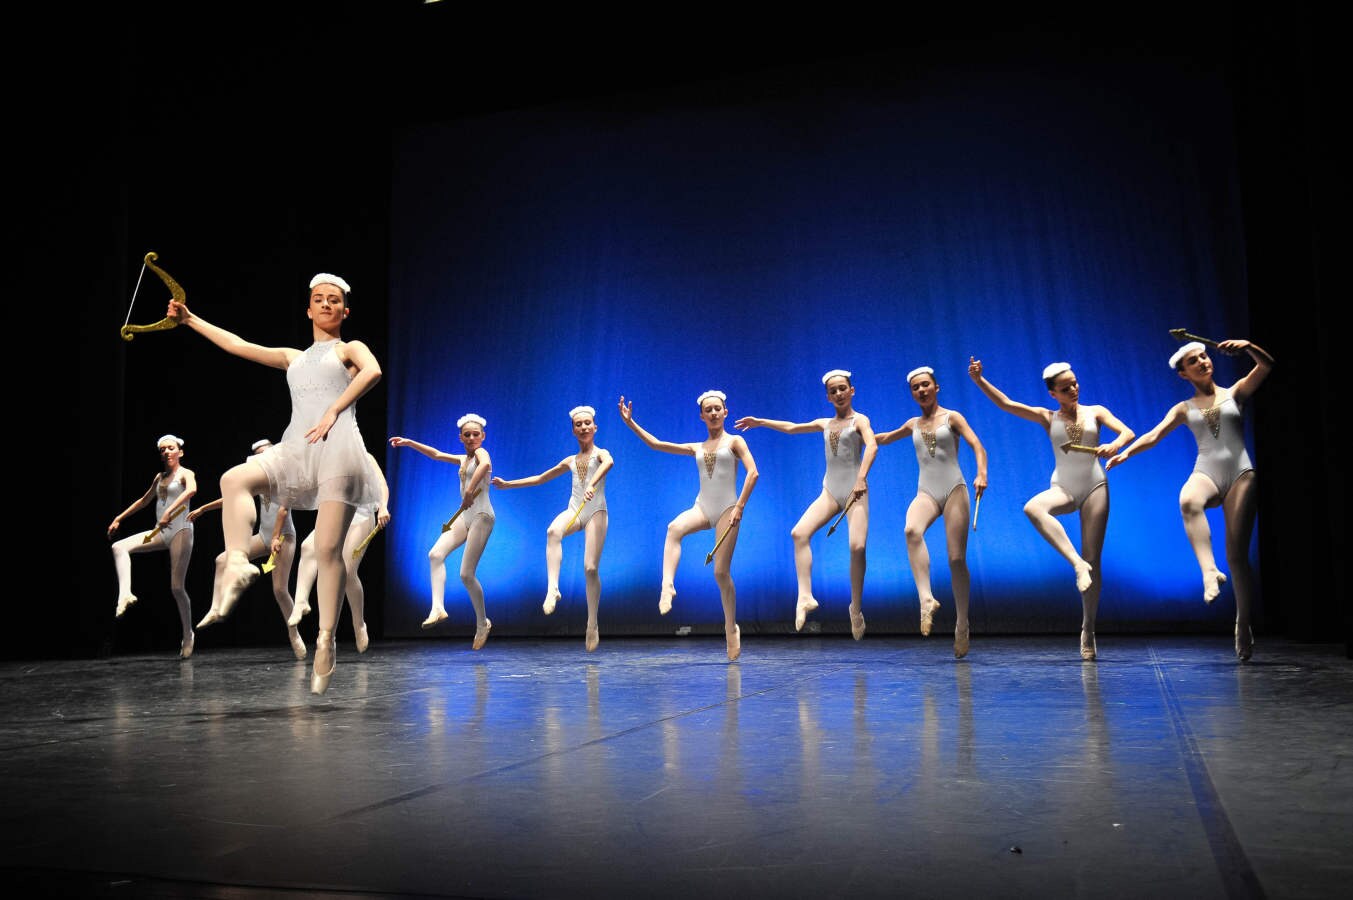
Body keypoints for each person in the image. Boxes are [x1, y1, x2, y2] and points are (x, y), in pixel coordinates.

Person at [167, 273, 382, 693]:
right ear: (308, 308)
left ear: (344, 310)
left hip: (338, 448)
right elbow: (239, 345)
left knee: (326, 550)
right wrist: (191, 320)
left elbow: (372, 371)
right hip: (297, 448)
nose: (325, 304)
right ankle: (236, 561)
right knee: (234, 478)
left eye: (333, 300)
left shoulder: (348, 349)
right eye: (318, 299)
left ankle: (325, 639)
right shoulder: (293, 357)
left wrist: (335, 410)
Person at [1107, 339, 1273, 660]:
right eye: (1194, 361)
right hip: (1207, 470)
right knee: (1188, 500)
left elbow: (1266, 366)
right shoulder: (1183, 409)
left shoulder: (1235, 392)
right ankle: (1209, 572)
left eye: (1204, 356)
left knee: (1237, 556)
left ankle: (1242, 621)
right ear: (1184, 374)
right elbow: (1153, 436)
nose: (1202, 362)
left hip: (1240, 473)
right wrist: (1125, 453)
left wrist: (1250, 345)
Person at [968, 358, 1134, 660]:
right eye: (1065, 387)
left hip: (1095, 487)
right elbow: (1007, 404)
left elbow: (1127, 433)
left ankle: (1088, 628)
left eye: (1074, 383)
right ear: (1053, 394)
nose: (1073, 388)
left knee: (1094, 558)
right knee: (1034, 507)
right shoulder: (1047, 417)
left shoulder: (1095, 412)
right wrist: (980, 380)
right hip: (1064, 487)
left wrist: (1114, 445)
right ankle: (1076, 564)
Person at [735, 369, 876, 639]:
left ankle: (855, 609)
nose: (838, 394)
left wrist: (861, 479)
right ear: (828, 396)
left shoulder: (860, 420)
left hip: (855, 492)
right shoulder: (824, 423)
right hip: (831, 491)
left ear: (852, 391)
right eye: (833, 391)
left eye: (842, 389)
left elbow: (871, 446)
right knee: (799, 533)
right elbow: (792, 428)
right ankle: (804, 597)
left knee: (857, 547)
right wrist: (761, 422)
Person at [619, 390, 758, 661]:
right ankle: (667, 586)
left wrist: (740, 507)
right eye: (709, 410)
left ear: (725, 412)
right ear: (702, 416)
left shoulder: (735, 441)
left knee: (720, 573)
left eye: (718, 408)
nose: (714, 413)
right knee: (674, 529)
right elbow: (657, 444)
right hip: (702, 507)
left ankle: (731, 628)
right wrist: (630, 423)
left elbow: (753, 472)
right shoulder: (697, 447)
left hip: (729, 508)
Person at [875, 366, 988, 657]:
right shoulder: (912, 423)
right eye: (916, 388)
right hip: (926, 491)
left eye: (925, 385)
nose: (921, 390)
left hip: (954, 490)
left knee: (955, 559)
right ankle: (926, 599)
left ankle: (962, 622)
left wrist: (981, 473)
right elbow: (885, 437)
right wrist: (860, 434)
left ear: (936, 387)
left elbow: (977, 445)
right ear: (912, 393)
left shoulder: (953, 418)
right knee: (911, 530)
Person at [492, 405, 612, 652]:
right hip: (574, 511)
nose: (583, 427)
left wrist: (593, 481)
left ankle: (592, 623)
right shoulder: (570, 461)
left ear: (595, 427)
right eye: (578, 425)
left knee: (590, 568)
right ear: (573, 430)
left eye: (587, 423)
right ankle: (553, 589)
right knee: (552, 531)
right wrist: (508, 485)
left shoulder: (601, 453)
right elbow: (540, 478)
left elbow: (608, 462)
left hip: (596, 512)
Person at [190, 438, 306, 660]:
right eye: (258, 454)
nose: (262, 458)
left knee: (280, 590)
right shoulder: (258, 479)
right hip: (264, 537)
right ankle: (216, 607)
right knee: (222, 559)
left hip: (283, 537)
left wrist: (275, 538)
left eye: (265, 453)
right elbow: (233, 496)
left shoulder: (285, 478)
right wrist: (204, 508)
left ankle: (294, 634)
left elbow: (283, 511)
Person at [390, 415, 494, 649]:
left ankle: (482, 622)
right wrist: (409, 442)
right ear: (460, 437)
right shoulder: (462, 459)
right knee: (435, 555)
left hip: (482, 516)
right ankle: (438, 608)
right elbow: (436, 454)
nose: (471, 438)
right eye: (466, 435)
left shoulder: (481, 453)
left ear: (482, 436)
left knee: (466, 574)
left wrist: (469, 490)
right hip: (466, 517)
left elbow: (486, 465)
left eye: (475, 434)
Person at [107, 434, 198, 658]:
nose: (166, 452)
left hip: (181, 531)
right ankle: (125, 594)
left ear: (180, 452)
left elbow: (191, 491)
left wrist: (169, 510)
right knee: (119, 547)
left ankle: (188, 634)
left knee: (176, 587)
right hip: (160, 533)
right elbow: (144, 500)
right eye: (163, 450)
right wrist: (119, 517)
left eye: (171, 448)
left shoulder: (186, 474)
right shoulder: (159, 478)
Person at [290, 451, 391, 653]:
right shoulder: (325, 459)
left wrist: (383, 508)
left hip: (361, 516)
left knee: (346, 571)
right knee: (308, 547)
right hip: (336, 515)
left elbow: (382, 485)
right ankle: (301, 601)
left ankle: (359, 623)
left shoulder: (364, 456)